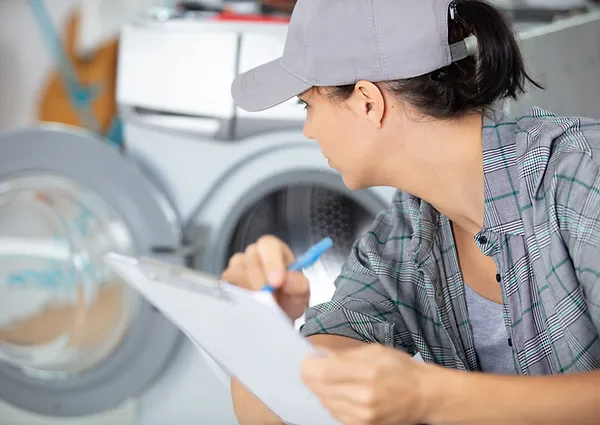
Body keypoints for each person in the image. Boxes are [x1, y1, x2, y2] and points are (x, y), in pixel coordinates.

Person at [225, 0, 600, 424]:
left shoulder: (584, 177)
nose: (309, 129)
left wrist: (431, 396)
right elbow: (289, 413)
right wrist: (256, 322)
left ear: (367, 101)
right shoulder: (402, 238)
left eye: (306, 105)